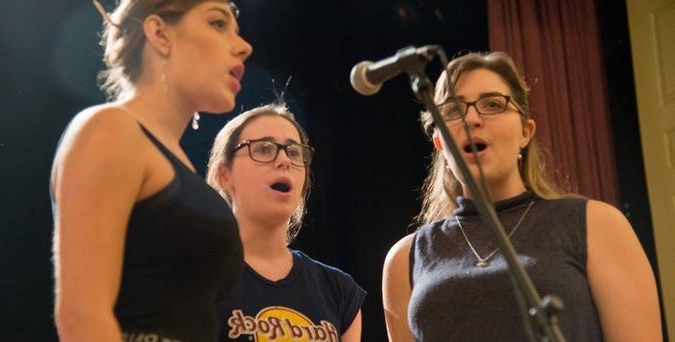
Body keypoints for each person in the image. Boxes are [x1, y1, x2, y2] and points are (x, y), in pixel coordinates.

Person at [382, 52, 662, 341]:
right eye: (454, 110)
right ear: (439, 142)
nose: (472, 118)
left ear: (525, 133)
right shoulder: (406, 258)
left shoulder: (596, 224)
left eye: (492, 104)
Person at [50, 0, 252, 340]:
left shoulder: (177, 163)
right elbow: (82, 316)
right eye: (218, 23)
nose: (244, 46)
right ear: (159, 33)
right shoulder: (110, 129)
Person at [206, 102, 367, 342]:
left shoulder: (338, 289)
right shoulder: (197, 275)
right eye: (263, 149)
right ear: (224, 175)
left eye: (293, 152)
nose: (284, 160)